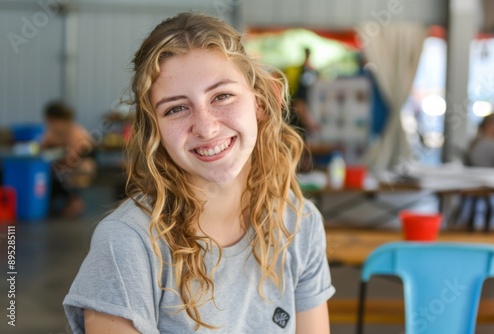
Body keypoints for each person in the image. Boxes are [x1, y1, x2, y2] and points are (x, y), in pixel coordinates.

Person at [62, 13, 334, 334]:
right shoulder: (128, 244)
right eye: (176, 108)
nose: (206, 128)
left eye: (222, 96)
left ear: (259, 103)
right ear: (155, 131)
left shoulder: (298, 223)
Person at [40, 101, 96, 217]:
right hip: (71, 164)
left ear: (56, 119)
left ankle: (74, 202)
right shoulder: (59, 131)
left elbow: (73, 157)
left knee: (55, 174)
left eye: (50, 121)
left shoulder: (74, 132)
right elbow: (43, 144)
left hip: (83, 165)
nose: (48, 124)